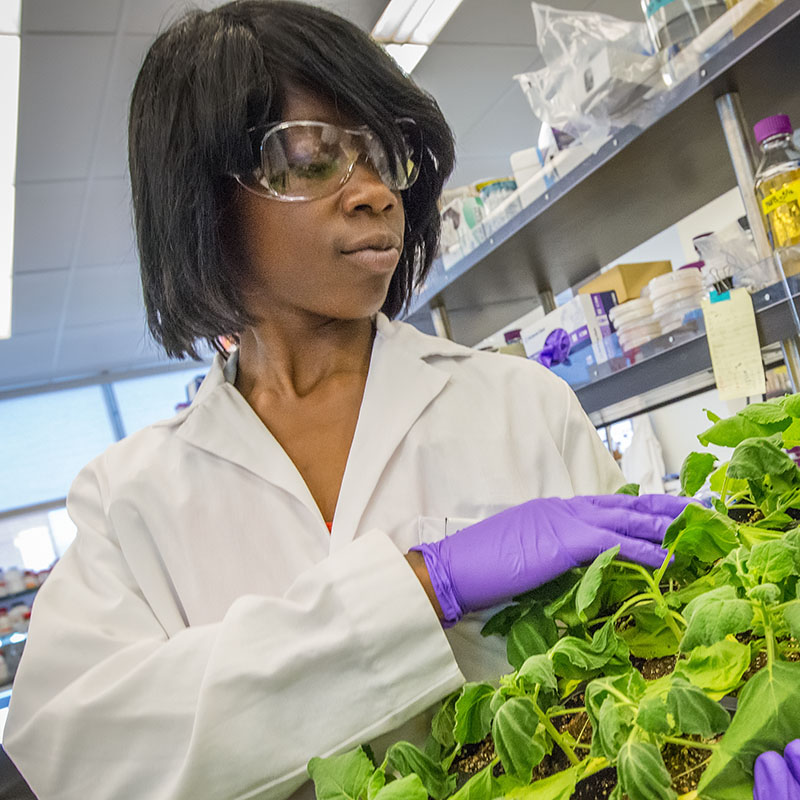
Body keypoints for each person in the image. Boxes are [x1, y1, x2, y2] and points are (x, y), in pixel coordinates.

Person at [3, 2, 789, 798]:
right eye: (310, 157)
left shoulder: (521, 404)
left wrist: (737, 730)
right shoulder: (131, 499)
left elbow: (653, 647)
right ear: (200, 195)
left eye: (384, 155)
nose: (376, 192)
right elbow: (78, 757)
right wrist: (422, 584)